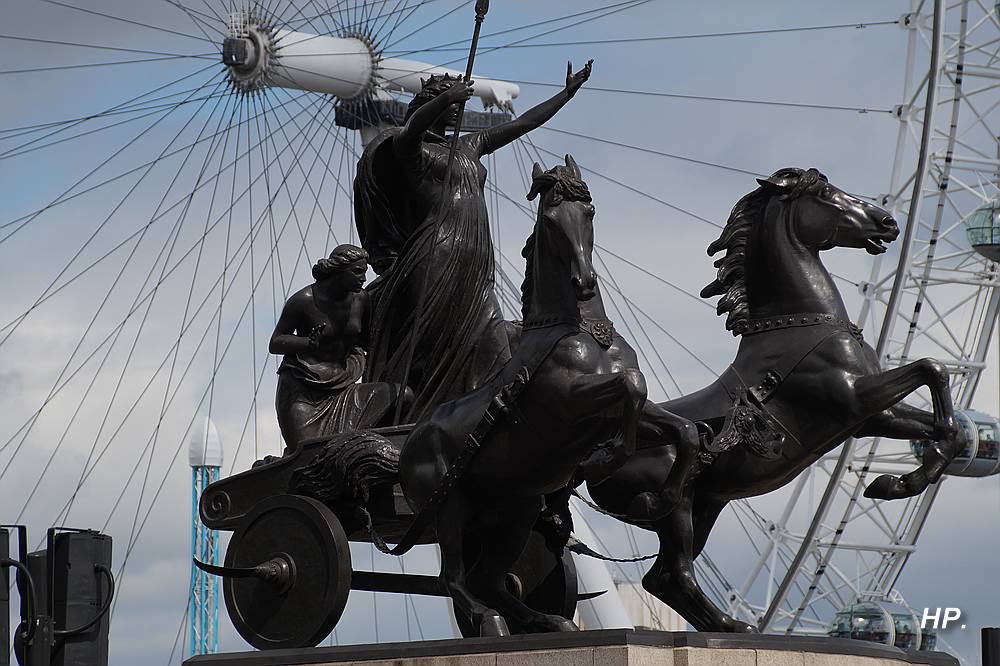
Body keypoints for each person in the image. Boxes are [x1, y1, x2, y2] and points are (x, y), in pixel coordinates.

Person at [354, 60, 594, 421]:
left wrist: (566, 94)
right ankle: (414, 418)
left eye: (458, 106)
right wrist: (443, 98)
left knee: (493, 341)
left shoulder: (470, 146)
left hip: (475, 259)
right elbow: (413, 127)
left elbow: (522, 123)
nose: (457, 112)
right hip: (434, 258)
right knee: (431, 344)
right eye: (452, 106)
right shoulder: (409, 149)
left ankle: (482, 421)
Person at [269, 244, 407, 453]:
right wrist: (307, 343)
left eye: (365, 272)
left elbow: (368, 340)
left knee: (403, 395)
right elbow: (275, 342)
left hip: (345, 388)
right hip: (304, 393)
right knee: (310, 455)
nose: (363, 278)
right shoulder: (303, 301)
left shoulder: (361, 299)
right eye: (358, 272)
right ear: (339, 271)